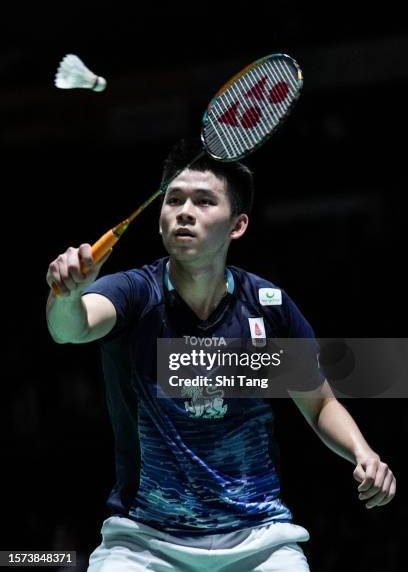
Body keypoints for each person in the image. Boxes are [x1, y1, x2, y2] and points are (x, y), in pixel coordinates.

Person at [46, 139, 396, 571]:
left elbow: (320, 403)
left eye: (204, 201)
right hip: (144, 543)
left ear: (238, 225)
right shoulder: (136, 293)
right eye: (173, 199)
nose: (185, 211)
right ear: (160, 220)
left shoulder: (268, 307)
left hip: (259, 540)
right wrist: (65, 294)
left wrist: (364, 454)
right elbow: (70, 328)